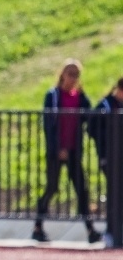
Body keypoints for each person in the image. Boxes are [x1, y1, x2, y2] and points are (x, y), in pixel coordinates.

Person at [32, 59, 101, 243]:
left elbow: (90, 115)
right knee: (52, 187)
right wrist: (57, 148)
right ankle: (37, 226)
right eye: (70, 73)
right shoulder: (53, 96)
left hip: (73, 151)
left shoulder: (79, 96)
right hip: (57, 151)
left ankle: (90, 230)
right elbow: (49, 125)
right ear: (62, 74)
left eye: (76, 74)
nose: (73, 78)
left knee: (82, 190)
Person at [88, 77, 123, 247]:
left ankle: (118, 231)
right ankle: (111, 232)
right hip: (109, 157)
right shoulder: (105, 105)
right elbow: (92, 128)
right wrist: (107, 144)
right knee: (115, 194)